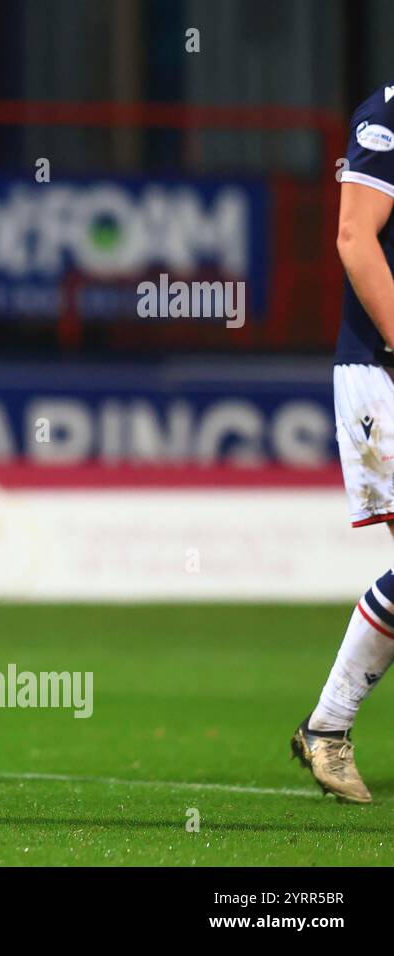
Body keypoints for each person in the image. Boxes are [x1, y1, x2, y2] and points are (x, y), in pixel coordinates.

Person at [294, 82, 394, 802]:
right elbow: (354, 238)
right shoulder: (386, 114)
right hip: (381, 369)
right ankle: (327, 728)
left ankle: (326, 728)